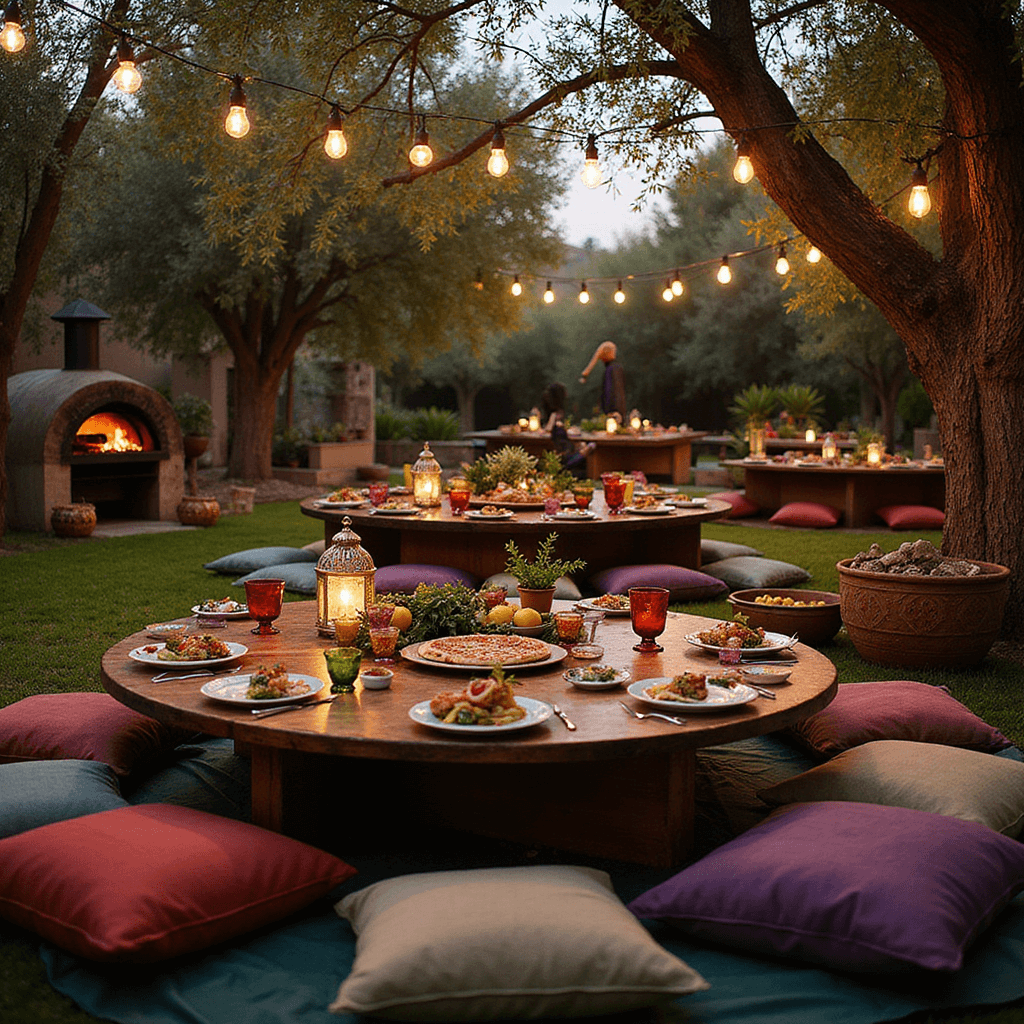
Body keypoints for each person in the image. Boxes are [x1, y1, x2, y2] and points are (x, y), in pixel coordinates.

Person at [540, 381, 591, 476]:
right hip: (565, 459)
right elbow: (548, 432)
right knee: (592, 446)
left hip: (565, 453)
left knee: (586, 445)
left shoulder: (557, 416)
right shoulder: (554, 416)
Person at [578, 340, 626, 417]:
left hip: (614, 413)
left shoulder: (612, 369)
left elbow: (613, 391)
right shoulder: (615, 368)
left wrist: (614, 411)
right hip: (616, 411)